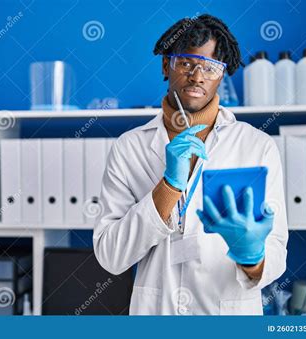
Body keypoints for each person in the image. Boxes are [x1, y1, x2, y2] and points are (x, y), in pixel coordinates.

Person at [93, 14, 288, 315]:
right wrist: (169, 187)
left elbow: (276, 249)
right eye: (186, 63)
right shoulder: (129, 147)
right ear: (166, 65)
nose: (198, 76)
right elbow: (110, 255)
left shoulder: (257, 146)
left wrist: (253, 256)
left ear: (221, 75)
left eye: (210, 67)